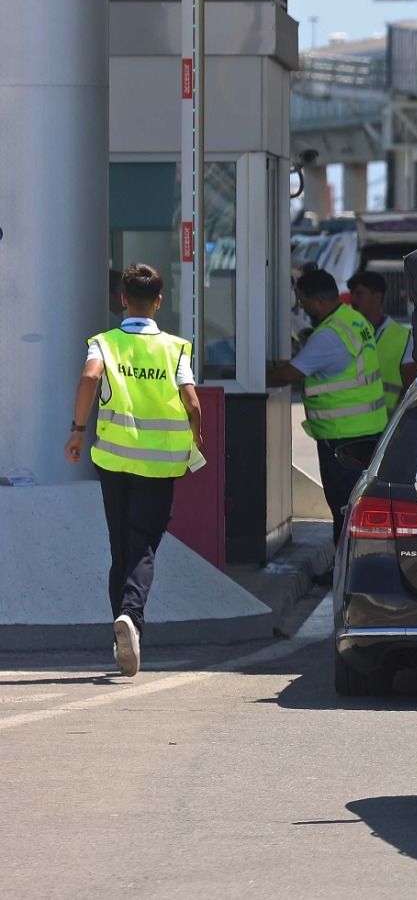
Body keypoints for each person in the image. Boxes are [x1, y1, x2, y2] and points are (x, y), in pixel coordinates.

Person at [66, 264, 203, 677]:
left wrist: (77, 431)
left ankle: (121, 633)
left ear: (122, 300)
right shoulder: (175, 348)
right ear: (159, 302)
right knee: (143, 545)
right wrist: (195, 437)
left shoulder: (103, 344)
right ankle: (131, 618)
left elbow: (90, 376)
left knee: (120, 546)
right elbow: (193, 403)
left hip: (112, 459)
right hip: (159, 465)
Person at [267, 268, 388, 542]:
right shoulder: (353, 320)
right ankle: (348, 566)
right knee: (356, 505)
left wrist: (249, 373)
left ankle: (343, 570)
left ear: (317, 300)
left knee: (344, 508)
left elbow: (288, 375)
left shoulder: (329, 336)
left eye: (304, 301)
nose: (304, 307)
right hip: (366, 431)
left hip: (343, 438)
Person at [347, 270, 417, 414]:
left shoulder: (404, 337)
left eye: (359, 294)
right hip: (351, 423)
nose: (353, 300)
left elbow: (410, 387)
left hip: (385, 426)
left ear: (377, 296)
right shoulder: (346, 332)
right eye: (352, 294)